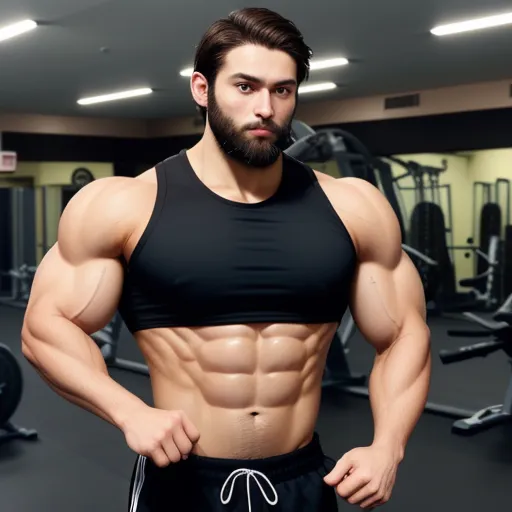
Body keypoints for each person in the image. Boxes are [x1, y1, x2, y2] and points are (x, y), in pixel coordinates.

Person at [21, 7, 431, 512]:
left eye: (282, 90)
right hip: (181, 482)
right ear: (201, 89)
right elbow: (45, 326)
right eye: (245, 86)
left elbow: (405, 333)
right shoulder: (125, 204)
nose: (265, 107)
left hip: (303, 480)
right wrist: (129, 412)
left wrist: (389, 445)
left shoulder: (354, 206)